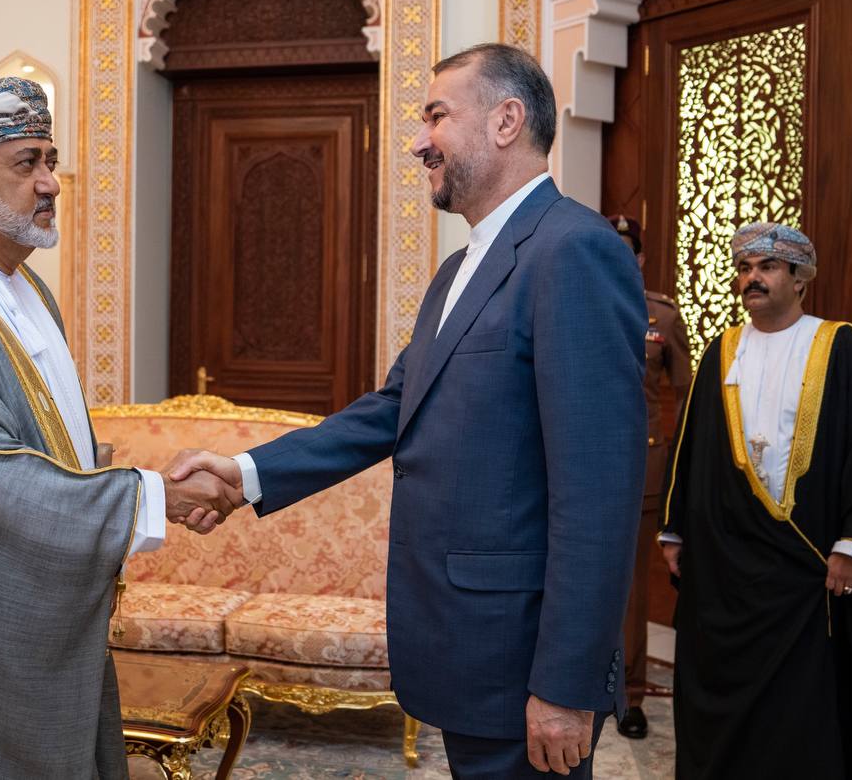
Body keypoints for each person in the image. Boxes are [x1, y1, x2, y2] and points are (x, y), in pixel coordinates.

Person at [171, 44, 648, 778]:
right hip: (463, 644)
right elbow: (394, 408)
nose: (419, 141)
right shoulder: (459, 269)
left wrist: (565, 685)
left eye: (436, 116)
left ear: (506, 121)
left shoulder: (573, 250)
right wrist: (245, 473)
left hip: (520, 658)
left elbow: (598, 495)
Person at [0, 77, 235, 779]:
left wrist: (107, 474)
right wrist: (153, 497)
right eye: (26, 163)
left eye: (50, 161)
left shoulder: (26, 288)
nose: (51, 182)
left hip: (41, 614)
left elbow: (43, 445)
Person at [659, 222, 852, 779]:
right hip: (726, 571)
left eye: (767, 268)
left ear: (800, 279)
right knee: (719, 699)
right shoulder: (723, 351)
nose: (752, 279)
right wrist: (673, 530)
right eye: (745, 269)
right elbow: (688, 448)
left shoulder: (841, 347)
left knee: (801, 713)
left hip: (808, 571)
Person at [604, 214, 691, 740]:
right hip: (575, 467)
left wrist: (678, 465)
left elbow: (687, 397)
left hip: (640, 470)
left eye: (626, 249)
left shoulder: (662, 316)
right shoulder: (576, 299)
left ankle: (629, 693)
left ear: (639, 258)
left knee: (632, 589)